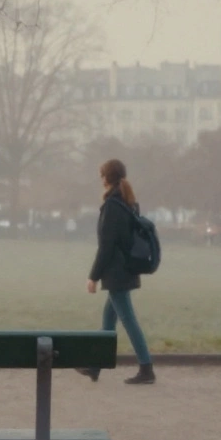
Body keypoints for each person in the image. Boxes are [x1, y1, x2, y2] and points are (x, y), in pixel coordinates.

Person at [77, 159, 156, 385]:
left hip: (117, 273)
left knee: (128, 320)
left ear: (106, 178)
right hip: (127, 270)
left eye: (101, 175)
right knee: (108, 320)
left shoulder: (112, 206)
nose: (100, 179)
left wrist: (93, 276)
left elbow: (106, 246)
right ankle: (95, 366)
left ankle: (146, 367)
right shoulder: (128, 202)